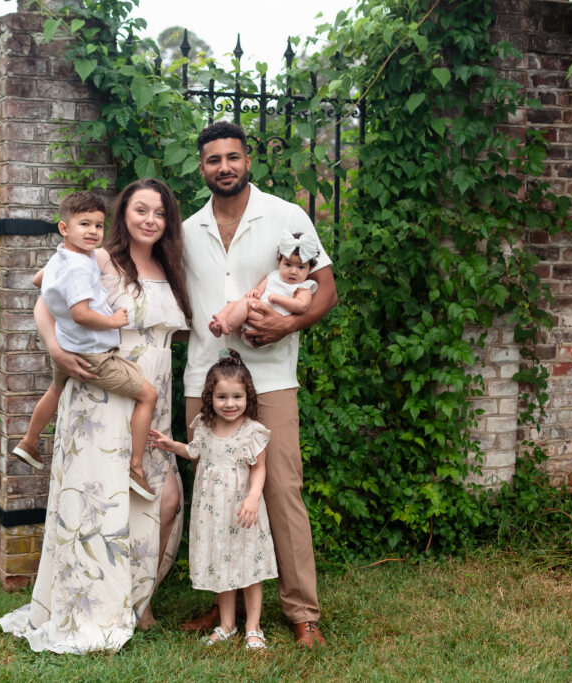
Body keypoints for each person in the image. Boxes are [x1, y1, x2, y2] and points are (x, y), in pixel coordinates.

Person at [0, 178, 192, 653]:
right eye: (141, 210)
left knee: (164, 500)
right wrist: (55, 350)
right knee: (102, 501)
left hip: (153, 399)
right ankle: (99, 606)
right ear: (124, 214)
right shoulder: (99, 258)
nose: (150, 220)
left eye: (160, 212)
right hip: (102, 394)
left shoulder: (171, 265)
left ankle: (139, 597)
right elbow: (44, 297)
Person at [180, 121, 338, 649]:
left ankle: (302, 612)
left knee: (281, 489)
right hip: (205, 378)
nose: (224, 167)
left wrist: (289, 325)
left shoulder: (286, 216)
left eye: (233, 157)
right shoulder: (187, 229)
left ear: (248, 160)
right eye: (213, 159)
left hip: (269, 378)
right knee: (214, 492)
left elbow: (326, 290)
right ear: (201, 167)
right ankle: (223, 601)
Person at [10, 191, 158, 501]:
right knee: (148, 395)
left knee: (55, 389)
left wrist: (57, 296)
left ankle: (29, 441)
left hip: (69, 344)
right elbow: (81, 314)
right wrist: (113, 321)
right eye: (85, 224)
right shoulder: (78, 267)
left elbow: (38, 280)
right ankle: (135, 467)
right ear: (64, 228)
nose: (93, 232)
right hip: (93, 353)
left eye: (98, 226)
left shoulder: (63, 256)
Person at [149, 349, 277, 651]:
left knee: (248, 568)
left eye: (237, 397)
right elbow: (194, 451)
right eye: (222, 397)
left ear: (247, 397)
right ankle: (227, 625)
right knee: (222, 566)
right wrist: (171, 445)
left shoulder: (252, 432)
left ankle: (253, 627)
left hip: (243, 511)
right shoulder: (205, 427)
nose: (230, 404)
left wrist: (253, 497)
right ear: (210, 397)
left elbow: (259, 468)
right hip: (214, 513)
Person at [209, 230, 320, 338]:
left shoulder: (303, 287)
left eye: (301, 267)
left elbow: (302, 306)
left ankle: (228, 326)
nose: (293, 271)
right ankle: (219, 322)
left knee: (246, 303)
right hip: (256, 315)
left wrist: (278, 299)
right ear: (279, 262)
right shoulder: (273, 276)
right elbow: (258, 291)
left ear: (310, 268)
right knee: (235, 304)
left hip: (272, 321)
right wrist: (255, 293)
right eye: (288, 265)